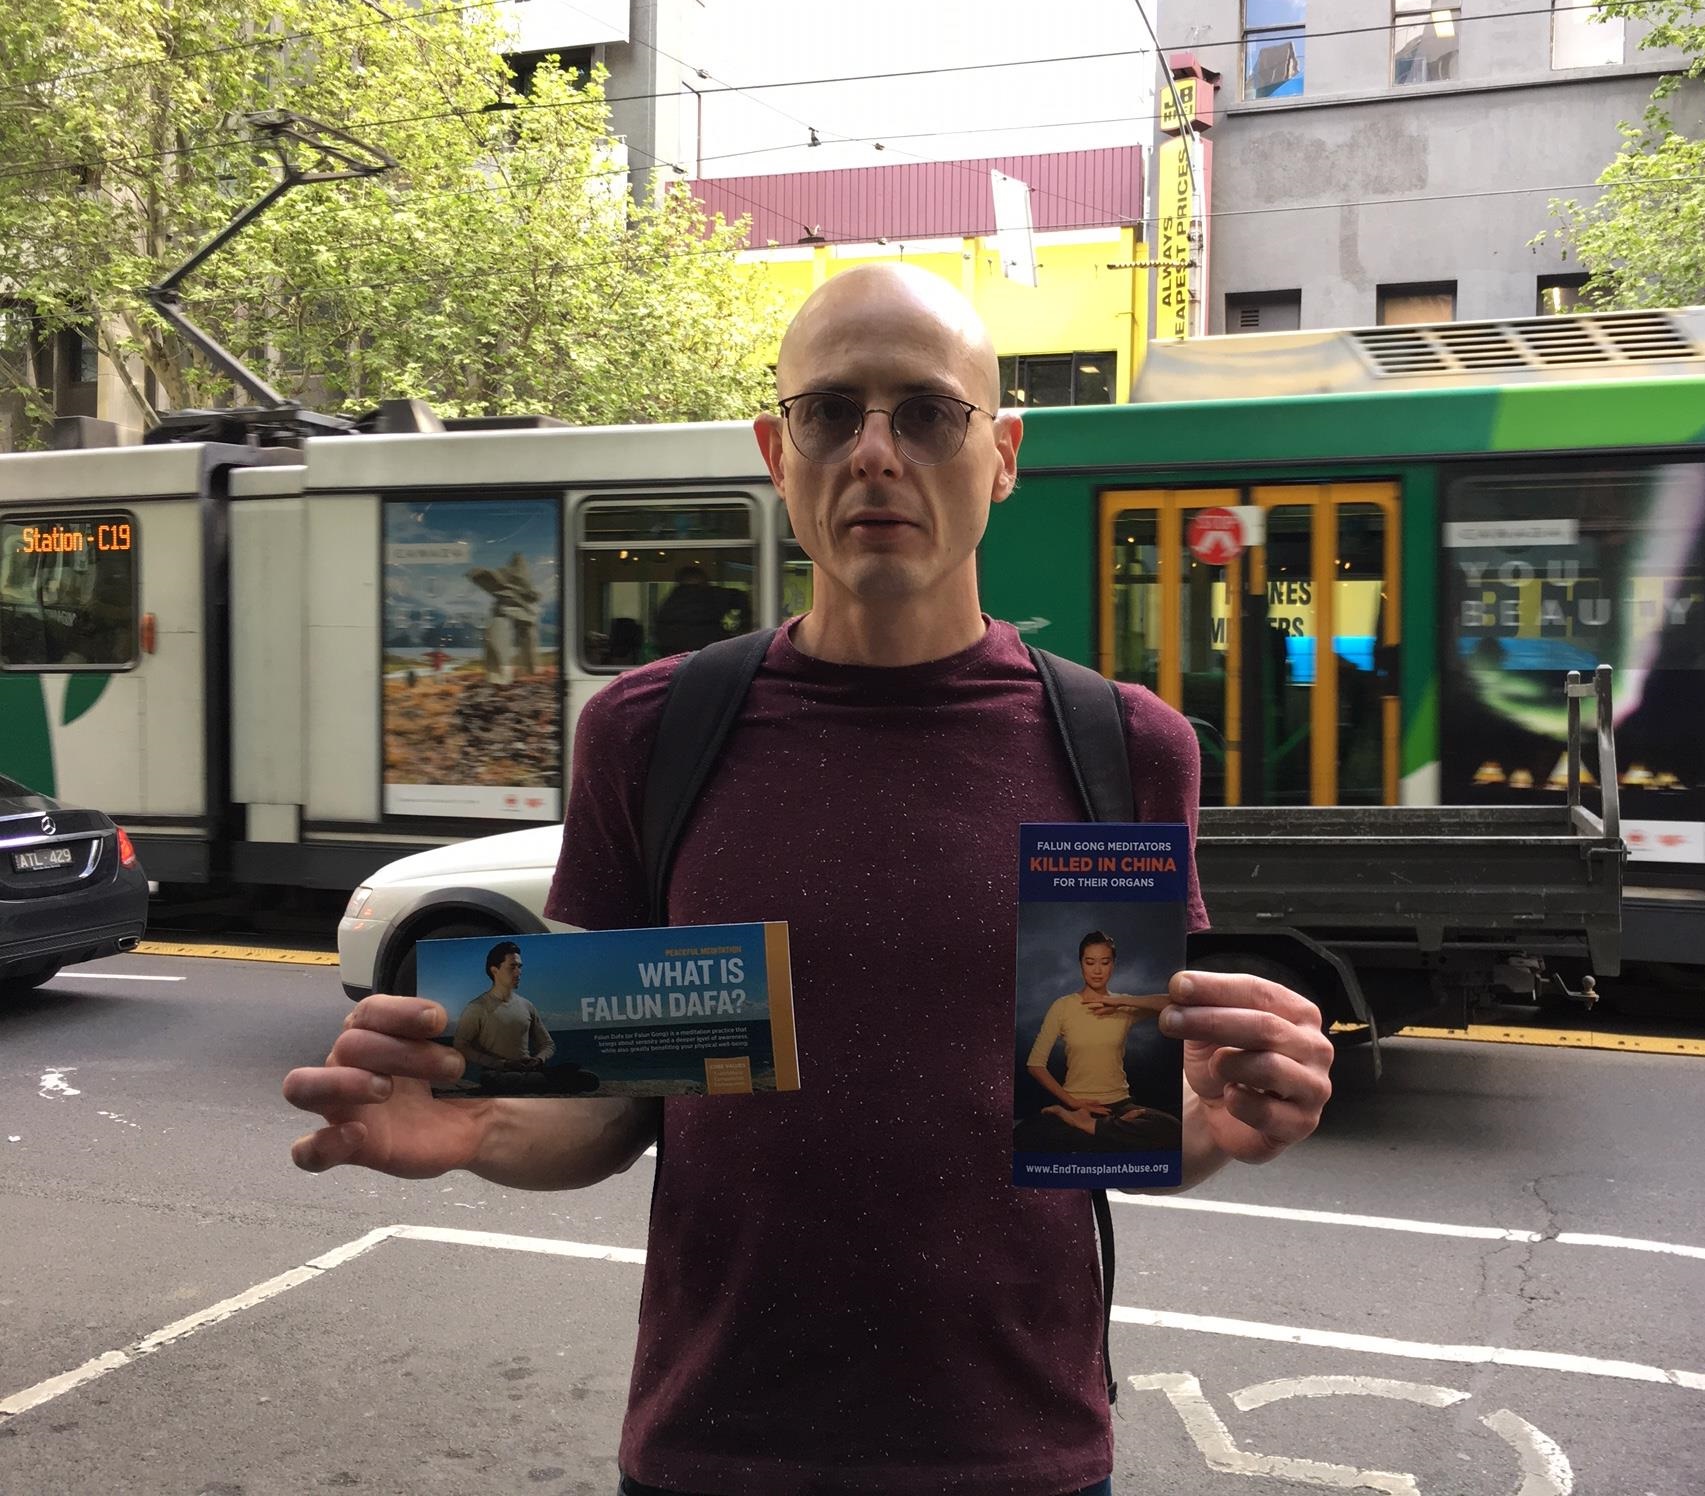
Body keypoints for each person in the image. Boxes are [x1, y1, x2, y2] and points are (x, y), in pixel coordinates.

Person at [283, 263, 1334, 1496]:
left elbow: (1097, 1130)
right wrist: (483, 1124)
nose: (876, 453)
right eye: (832, 413)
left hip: (1025, 1455)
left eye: (927, 413)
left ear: (1002, 455)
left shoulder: (1120, 747)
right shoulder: (652, 733)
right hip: (712, 1449)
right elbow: (618, 1102)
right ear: (777, 452)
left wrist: (1210, 1128)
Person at [1021, 931, 1180, 1150]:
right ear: (1081, 964)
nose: (1097, 970)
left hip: (1120, 1105)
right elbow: (1035, 1065)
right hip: (1076, 1106)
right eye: (1090, 962)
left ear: (1113, 964)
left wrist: (1120, 1001)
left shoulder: (1123, 1005)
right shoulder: (1062, 1006)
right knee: (1024, 1135)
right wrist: (1072, 1103)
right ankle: (1107, 1130)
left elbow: (1174, 1003)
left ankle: (1094, 1128)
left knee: (1171, 1129)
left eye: (1105, 962)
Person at [449, 941, 596, 1097]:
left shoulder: (526, 1005)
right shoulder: (477, 1007)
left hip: (528, 1069)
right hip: (498, 1072)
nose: (518, 972)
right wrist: (501, 1063)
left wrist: (538, 1059)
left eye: (520, 967)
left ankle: (542, 1079)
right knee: (495, 1079)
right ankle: (550, 1080)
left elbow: (548, 1044)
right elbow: (461, 1045)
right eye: (512, 967)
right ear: (494, 970)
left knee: (569, 1069)